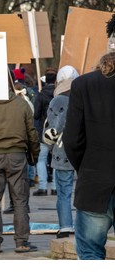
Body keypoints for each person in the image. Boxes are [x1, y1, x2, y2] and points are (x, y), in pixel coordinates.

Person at [63, 52, 115, 259]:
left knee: (90, 254)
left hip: (94, 179)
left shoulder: (83, 85)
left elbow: (72, 139)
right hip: (94, 178)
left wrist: (85, 168)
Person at [0, 85, 39, 253]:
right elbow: (32, 133)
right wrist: (35, 155)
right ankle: (21, 242)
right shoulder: (22, 104)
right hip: (17, 155)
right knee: (20, 200)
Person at [43, 65, 79, 239]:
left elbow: (51, 130)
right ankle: (82, 225)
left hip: (62, 152)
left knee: (64, 191)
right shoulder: (84, 97)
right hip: (84, 151)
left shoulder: (57, 101)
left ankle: (66, 225)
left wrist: (49, 144)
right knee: (82, 191)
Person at [33, 67, 58, 196]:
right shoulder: (59, 94)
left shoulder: (40, 95)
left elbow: (36, 115)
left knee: (41, 159)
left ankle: (42, 187)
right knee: (55, 159)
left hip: (43, 132)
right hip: (57, 133)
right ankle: (55, 187)